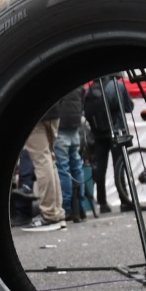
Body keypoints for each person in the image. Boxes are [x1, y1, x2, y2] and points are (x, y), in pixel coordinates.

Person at [84, 77, 133, 213]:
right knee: (119, 166)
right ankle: (124, 201)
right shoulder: (117, 85)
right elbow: (129, 107)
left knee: (101, 168)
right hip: (116, 131)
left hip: (98, 134)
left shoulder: (90, 90)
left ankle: (103, 203)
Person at [52, 87, 87, 222]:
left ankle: (67, 208)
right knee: (77, 166)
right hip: (75, 125)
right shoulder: (79, 85)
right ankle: (80, 205)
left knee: (63, 169)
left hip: (61, 126)